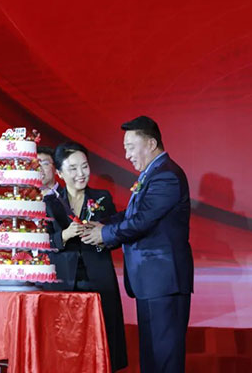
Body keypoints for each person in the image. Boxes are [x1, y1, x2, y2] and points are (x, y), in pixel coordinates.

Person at [82, 116, 193, 373]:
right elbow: (132, 215)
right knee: (152, 358)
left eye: (131, 147)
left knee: (164, 360)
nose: (127, 155)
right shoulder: (152, 173)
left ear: (151, 143)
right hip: (151, 282)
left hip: (163, 281)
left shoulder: (166, 176)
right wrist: (100, 224)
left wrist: (105, 234)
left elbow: (143, 221)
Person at [44, 142, 127, 372]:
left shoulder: (102, 198)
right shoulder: (49, 204)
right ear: (59, 173)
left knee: (104, 341)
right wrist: (64, 235)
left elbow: (116, 236)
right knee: (66, 344)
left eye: (84, 166)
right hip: (64, 283)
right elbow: (42, 245)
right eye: (73, 168)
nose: (81, 174)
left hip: (99, 278)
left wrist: (102, 236)